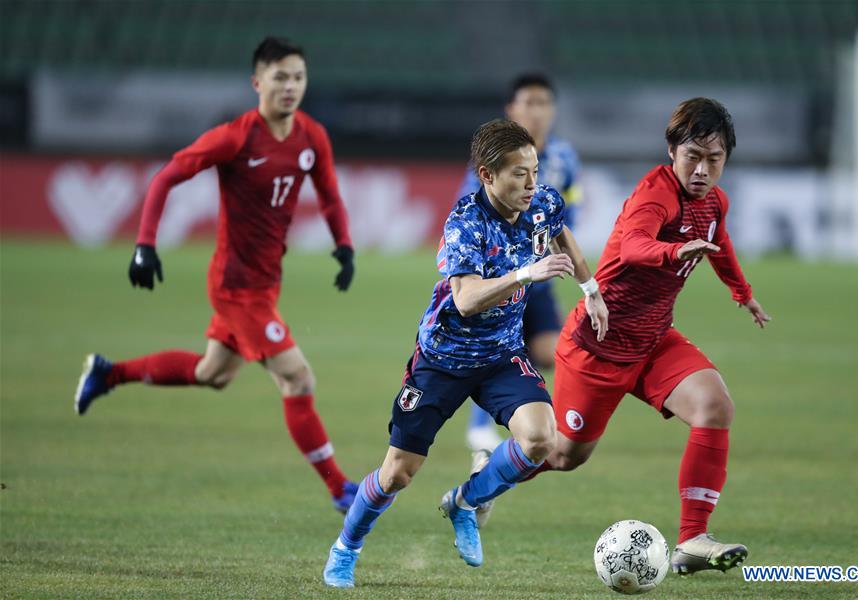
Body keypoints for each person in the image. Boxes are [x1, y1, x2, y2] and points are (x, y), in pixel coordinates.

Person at [73, 37, 359, 514]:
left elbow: (328, 196)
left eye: (298, 77)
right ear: (257, 82)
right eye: (280, 77)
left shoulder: (312, 136)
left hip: (266, 282)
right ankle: (339, 489)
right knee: (298, 378)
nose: (290, 87)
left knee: (214, 373)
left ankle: (108, 373)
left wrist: (344, 245)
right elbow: (167, 176)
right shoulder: (237, 137)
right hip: (236, 286)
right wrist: (145, 244)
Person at [321, 118, 608, 588]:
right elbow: (466, 299)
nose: (532, 184)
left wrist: (590, 288)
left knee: (540, 439)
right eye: (519, 173)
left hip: (500, 356)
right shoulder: (466, 223)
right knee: (398, 474)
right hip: (443, 360)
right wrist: (525, 275)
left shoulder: (543, 203)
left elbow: (561, 234)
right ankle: (345, 548)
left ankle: (466, 502)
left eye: (535, 171)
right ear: (487, 175)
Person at [525, 98, 771, 575]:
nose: (701, 170)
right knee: (561, 455)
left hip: (653, 340)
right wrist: (676, 250)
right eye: (692, 157)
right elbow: (636, 245)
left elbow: (720, 245)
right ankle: (484, 478)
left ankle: (693, 539)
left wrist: (743, 294)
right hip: (599, 342)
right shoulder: (654, 195)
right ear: (672, 151)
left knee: (715, 406)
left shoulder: (715, 202)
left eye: (713, 160)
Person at [460, 73, 583, 454]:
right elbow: (469, 211)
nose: (537, 111)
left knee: (555, 352)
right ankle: (481, 427)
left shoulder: (564, 158)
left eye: (544, 103)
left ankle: (542, 423)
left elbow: (569, 209)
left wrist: (559, 245)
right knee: (501, 348)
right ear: (512, 109)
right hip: (501, 280)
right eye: (528, 102)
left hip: (538, 283)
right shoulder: (494, 159)